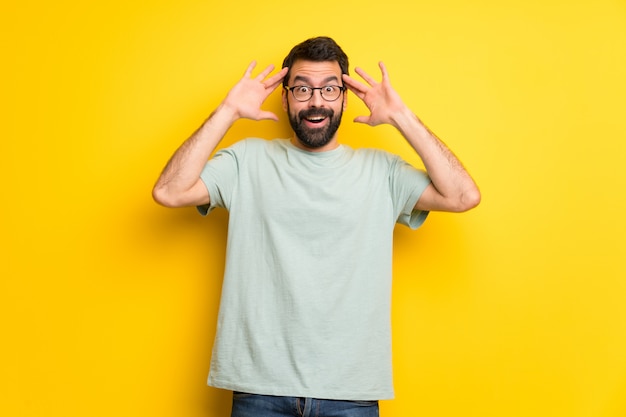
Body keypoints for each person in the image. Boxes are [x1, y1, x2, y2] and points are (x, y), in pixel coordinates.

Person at [153, 36, 480, 417]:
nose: (316, 101)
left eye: (329, 89)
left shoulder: (381, 171)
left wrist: (401, 116)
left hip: (350, 392)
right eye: (303, 89)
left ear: (344, 97)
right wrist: (227, 110)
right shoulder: (247, 161)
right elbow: (169, 192)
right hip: (260, 389)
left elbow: (463, 197)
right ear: (285, 96)